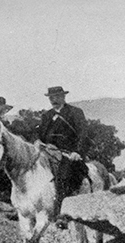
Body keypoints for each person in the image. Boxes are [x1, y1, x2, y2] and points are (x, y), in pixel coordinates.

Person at [38, 86, 89, 218]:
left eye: (57, 97)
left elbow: (83, 134)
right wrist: (37, 141)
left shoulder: (75, 112)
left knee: (64, 177)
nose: (53, 100)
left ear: (63, 97)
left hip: (69, 154)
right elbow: (40, 135)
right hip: (49, 152)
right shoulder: (46, 115)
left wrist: (77, 152)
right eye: (51, 97)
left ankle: (62, 214)